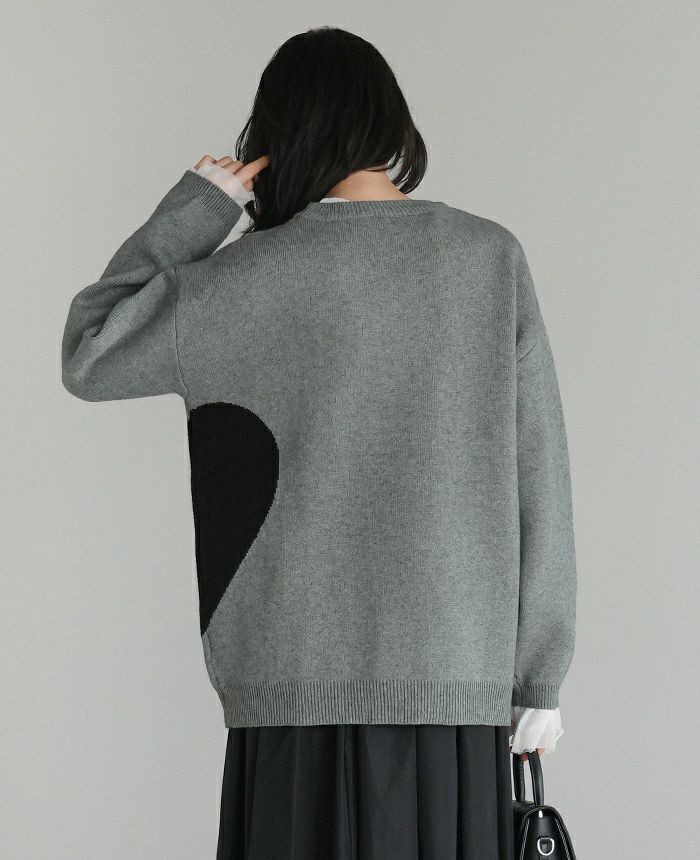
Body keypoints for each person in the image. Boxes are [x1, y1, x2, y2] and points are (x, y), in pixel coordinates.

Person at [61, 26, 577, 860]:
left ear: (276, 134)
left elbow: (90, 350)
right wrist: (539, 675)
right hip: (453, 699)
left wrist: (199, 207)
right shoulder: (487, 259)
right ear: (390, 123)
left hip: (286, 706)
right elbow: (538, 476)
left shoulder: (240, 280)